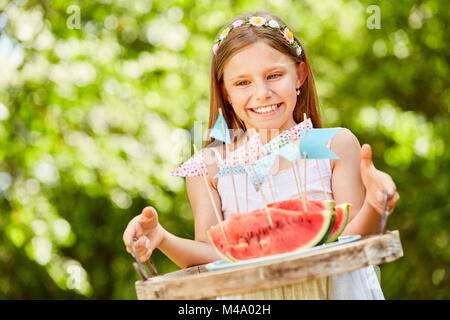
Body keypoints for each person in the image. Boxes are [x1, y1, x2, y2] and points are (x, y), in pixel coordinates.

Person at [123, 11, 400, 299]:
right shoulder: (208, 168)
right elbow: (210, 253)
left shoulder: (335, 144)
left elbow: (353, 236)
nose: (262, 93)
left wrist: (374, 205)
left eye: (274, 75)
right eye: (243, 82)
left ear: (300, 75)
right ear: (225, 91)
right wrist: (162, 238)